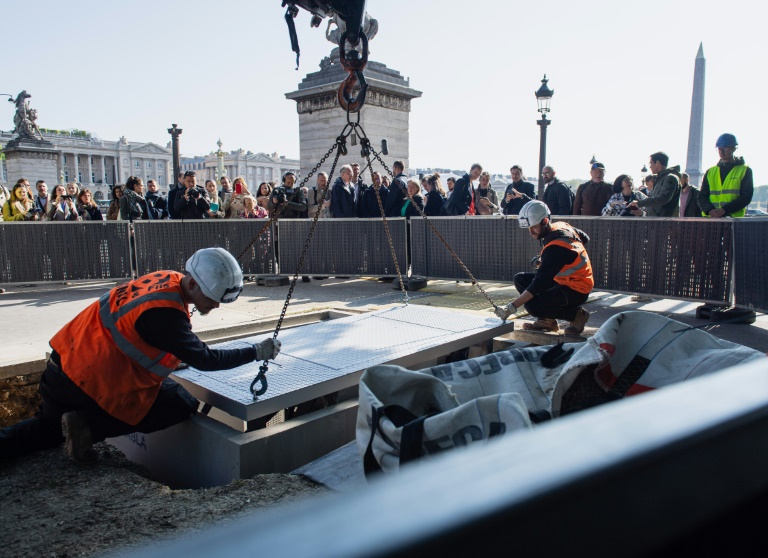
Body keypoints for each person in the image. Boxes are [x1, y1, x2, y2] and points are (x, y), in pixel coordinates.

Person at [0, 248, 281, 462]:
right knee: (179, 402)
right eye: (213, 299)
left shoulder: (167, 279)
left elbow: (139, 334)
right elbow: (206, 360)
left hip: (64, 365)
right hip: (84, 384)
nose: (216, 306)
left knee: (45, 429)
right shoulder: (165, 316)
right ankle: (87, 424)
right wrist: (256, 352)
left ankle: (77, 424)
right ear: (193, 285)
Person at [495, 200, 593, 335]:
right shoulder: (561, 226)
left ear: (545, 221)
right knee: (520, 279)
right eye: (528, 228)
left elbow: (539, 284)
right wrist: (559, 260)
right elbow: (585, 238)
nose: (531, 232)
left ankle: (576, 315)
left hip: (576, 289)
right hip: (565, 281)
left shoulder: (556, 249)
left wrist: (511, 307)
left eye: (534, 227)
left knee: (532, 306)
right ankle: (547, 322)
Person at [697, 133, 753, 218]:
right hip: (711, 220)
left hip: (733, 219)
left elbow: (746, 197)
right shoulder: (710, 172)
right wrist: (710, 210)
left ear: (734, 148)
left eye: (725, 148)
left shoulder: (745, 171)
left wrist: (724, 210)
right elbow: (702, 196)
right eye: (719, 149)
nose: (721, 152)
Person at [628, 152, 680, 217]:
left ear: (657, 163)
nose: (650, 166)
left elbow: (663, 199)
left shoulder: (670, 178)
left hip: (664, 223)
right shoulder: (661, 179)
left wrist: (639, 203)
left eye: (651, 163)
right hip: (657, 222)